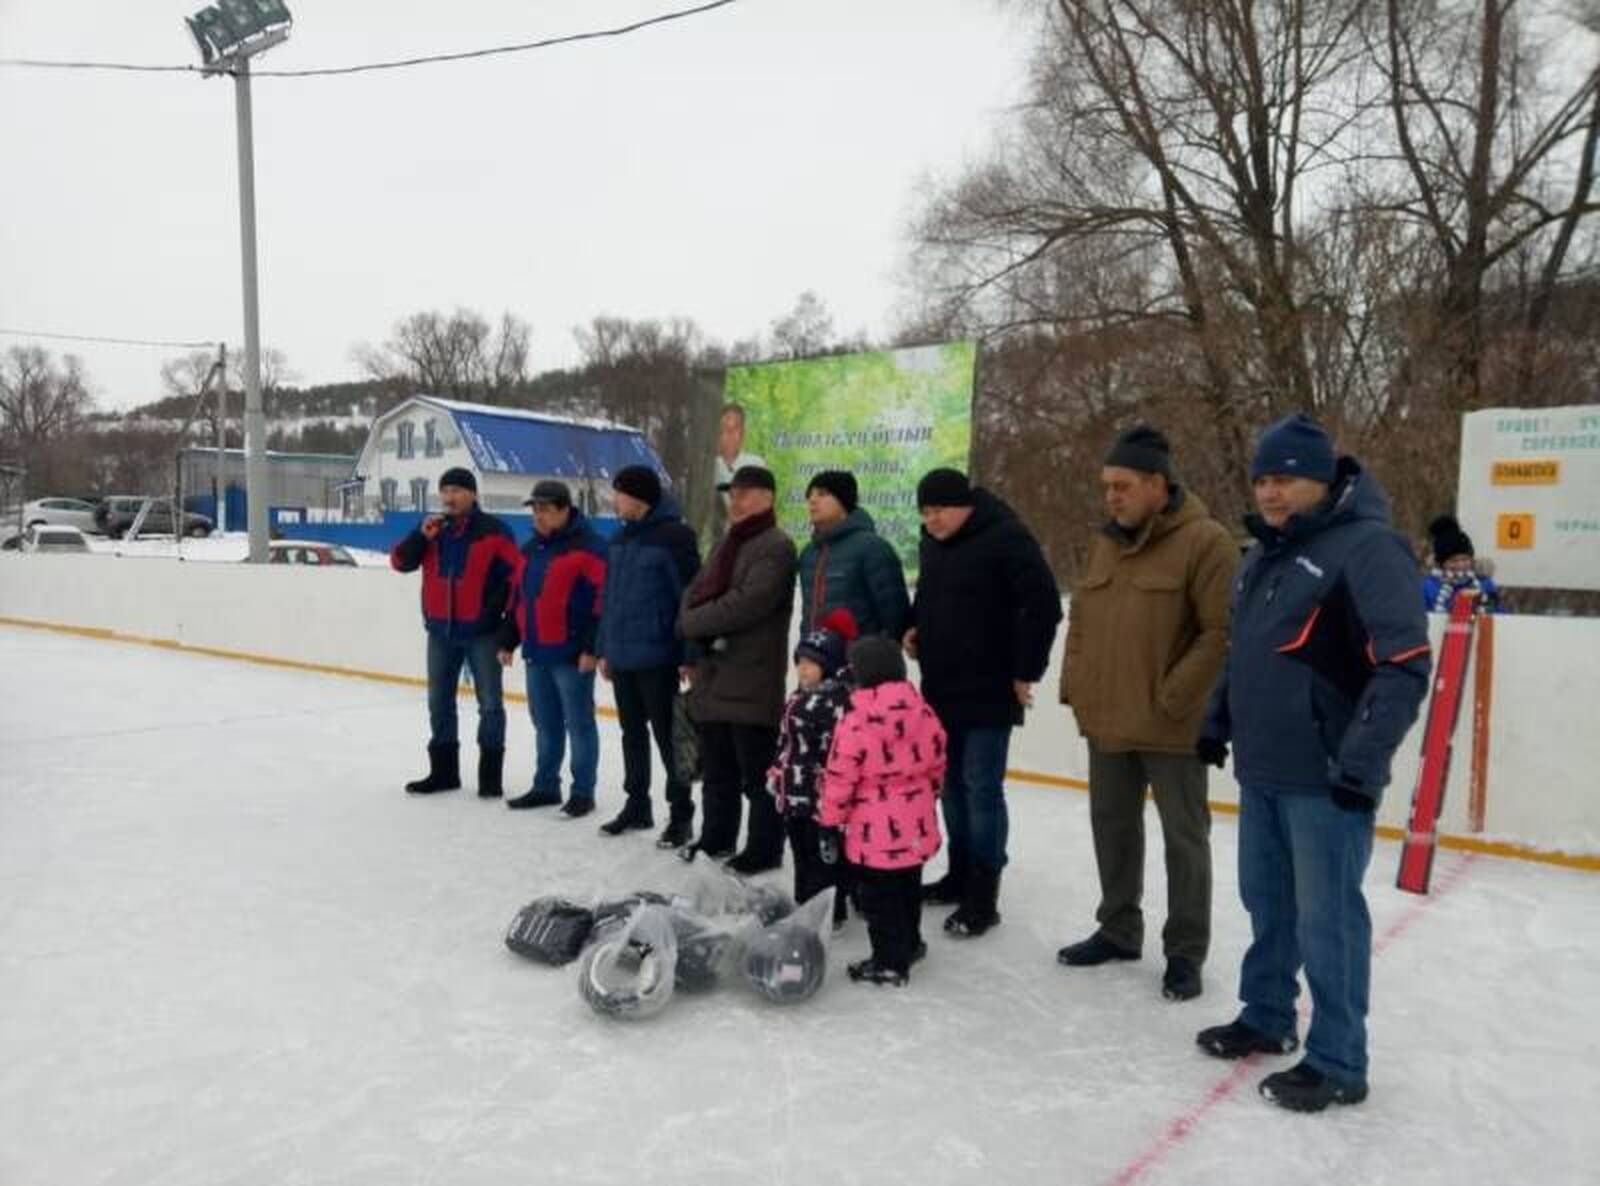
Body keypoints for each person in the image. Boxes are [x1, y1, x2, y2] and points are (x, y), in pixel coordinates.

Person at [1195, 414, 1431, 1113]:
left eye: (1287, 478)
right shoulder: (1261, 552)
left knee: (1328, 921)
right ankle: (1267, 1015)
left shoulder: (1368, 549)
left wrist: (1360, 764)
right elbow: (1246, 652)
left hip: (1326, 778)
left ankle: (1338, 1058)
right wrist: (1216, 721)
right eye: (1263, 478)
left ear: (1322, 480)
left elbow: (1405, 667)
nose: (1271, 492)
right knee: (1267, 903)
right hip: (1263, 766)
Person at [1056, 426, 1237, 1002]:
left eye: (1123, 486)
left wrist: (1173, 698)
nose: (1112, 497)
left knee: (1184, 839)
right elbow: (1083, 621)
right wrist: (1076, 688)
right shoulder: (1105, 542)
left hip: (1172, 725)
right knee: (1111, 827)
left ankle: (1185, 952)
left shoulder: (1207, 542)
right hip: (1107, 716)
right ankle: (1117, 929)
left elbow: (1221, 632)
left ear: (1159, 484)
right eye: (1107, 486)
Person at [905, 468, 1062, 938]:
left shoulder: (1006, 537)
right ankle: (958, 874)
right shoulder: (933, 544)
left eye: (938, 511)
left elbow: (1044, 606)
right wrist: (916, 628)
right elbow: (930, 598)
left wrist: (1025, 670)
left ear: (965, 504)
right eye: (925, 512)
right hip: (943, 685)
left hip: (991, 687)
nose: (931, 520)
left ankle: (983, 893)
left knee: (980, 787)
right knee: (950, 786)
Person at [678, 464, 797, 873]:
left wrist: (693, 622)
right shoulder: (727, 543)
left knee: (757, 776)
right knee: (717, 771)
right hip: (714, 676)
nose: (737, 501)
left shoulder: (776, 546)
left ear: (767, 498)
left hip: (751, 676)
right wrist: (691, 618)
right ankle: (717, 836)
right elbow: (693, 592)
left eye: (745, 493)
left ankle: (764, 849)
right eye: (733, 494)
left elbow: (749, 602)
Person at [819, 636, 947, 986]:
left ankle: (891, 962)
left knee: (879, 898)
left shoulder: (857, 720)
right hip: (916, 819)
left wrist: (830, 822)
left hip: (874, 832)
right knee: (908, 887)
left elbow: (840, 777)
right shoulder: (922, 710)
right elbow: (938, 759)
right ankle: (910, 943)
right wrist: (929, 795)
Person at [391, 467, 520, 798]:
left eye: (457, 490)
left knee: (490, 704)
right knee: (439, 703)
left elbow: (517, 578)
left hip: (483, 632)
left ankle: (490, 778)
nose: (450, 497)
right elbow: (399, 562)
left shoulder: (494, 531)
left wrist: (498, 617)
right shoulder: (433, 529)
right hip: (440, 631)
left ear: (473, 494)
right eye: (445, 490)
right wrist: (422, 536)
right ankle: (444, 773)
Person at [593, 465, 702, 844]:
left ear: (638, 497)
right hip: (622, 656)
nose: (614, 500)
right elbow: (609, 599)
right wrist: (604, 648)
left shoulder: (675, 537)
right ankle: (637, 804)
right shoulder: (619, 539)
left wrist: (690, 654)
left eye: (619, 493)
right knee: (631, 735)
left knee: (668, 738)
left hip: (658, 656)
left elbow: (690, 598)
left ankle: (680, 814)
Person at [497, 480, 607, 817]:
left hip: (573, 655)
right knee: (545, 724)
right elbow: (518, 599)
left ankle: (583, 792)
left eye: (545, 509)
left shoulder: (592, 548)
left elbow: (602, 604)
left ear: (564, 509)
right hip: (536, 652)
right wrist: (509, 639)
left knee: (579, 724)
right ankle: (546, 786)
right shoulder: (530, 550)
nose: (538, 516)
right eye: (534, 510)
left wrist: (592, 648)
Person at [766, 608, 860, 929]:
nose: (802, 669)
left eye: (811, 664)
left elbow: (838, 754)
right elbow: (786, 742)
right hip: (793, 794)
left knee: (825, 855)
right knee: (801, 851)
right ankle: (805, 901)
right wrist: (777, 772)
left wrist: (830, 790)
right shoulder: (798, 697)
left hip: (821, 800)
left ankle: (830, 910)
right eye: (799, 662)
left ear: (830, 667)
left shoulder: (837, 703)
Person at [795, 469, 911, 638]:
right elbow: (808, 616)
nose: (812, 500)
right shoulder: (808, 553)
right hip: (815, 660)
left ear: (844, 502)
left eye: (822, 494)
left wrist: (872, 658)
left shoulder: (873, 548)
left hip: (860, 660)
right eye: (809, 495)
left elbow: (896, 617)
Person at [711, 402, 767, 540]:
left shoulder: (756, 464)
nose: (730, 434)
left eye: (735, 428)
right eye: (725, 428)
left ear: (742, 434)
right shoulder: (709, 466)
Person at [1422, 515, 1500, 613]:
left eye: (1464, 559)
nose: (1460, 565)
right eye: (1453, 561)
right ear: (1441, 563)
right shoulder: (1428, 586)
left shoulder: (1484, 583)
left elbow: (1498, 613)